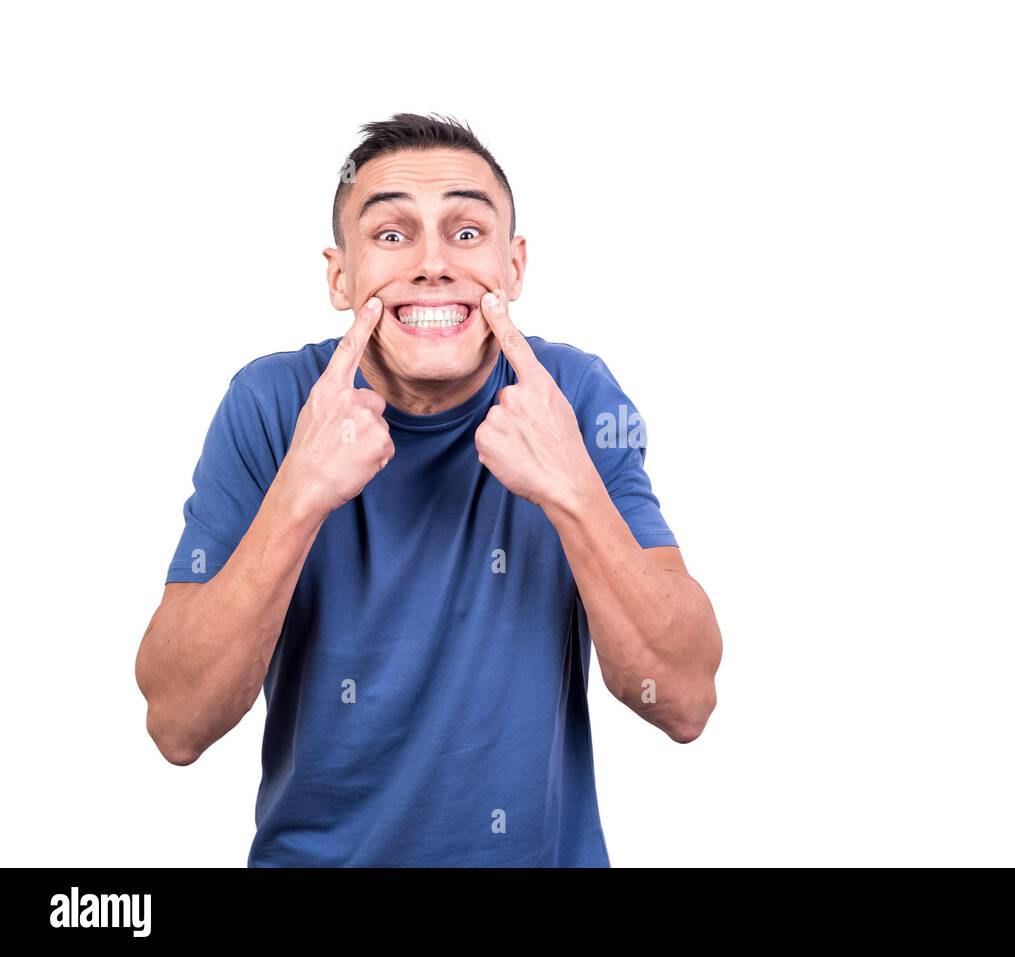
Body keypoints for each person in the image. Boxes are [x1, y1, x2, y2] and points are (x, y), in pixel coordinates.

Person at [134, 113, 723, 866]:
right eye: (391, 234)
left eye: (467, 232)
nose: (434, 263)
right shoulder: (271, 402)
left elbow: (682, 700)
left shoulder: (573, 395)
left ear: (514, 267)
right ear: (340, 275)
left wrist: (574, 490)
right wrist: (300, 494)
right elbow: (177, 724)